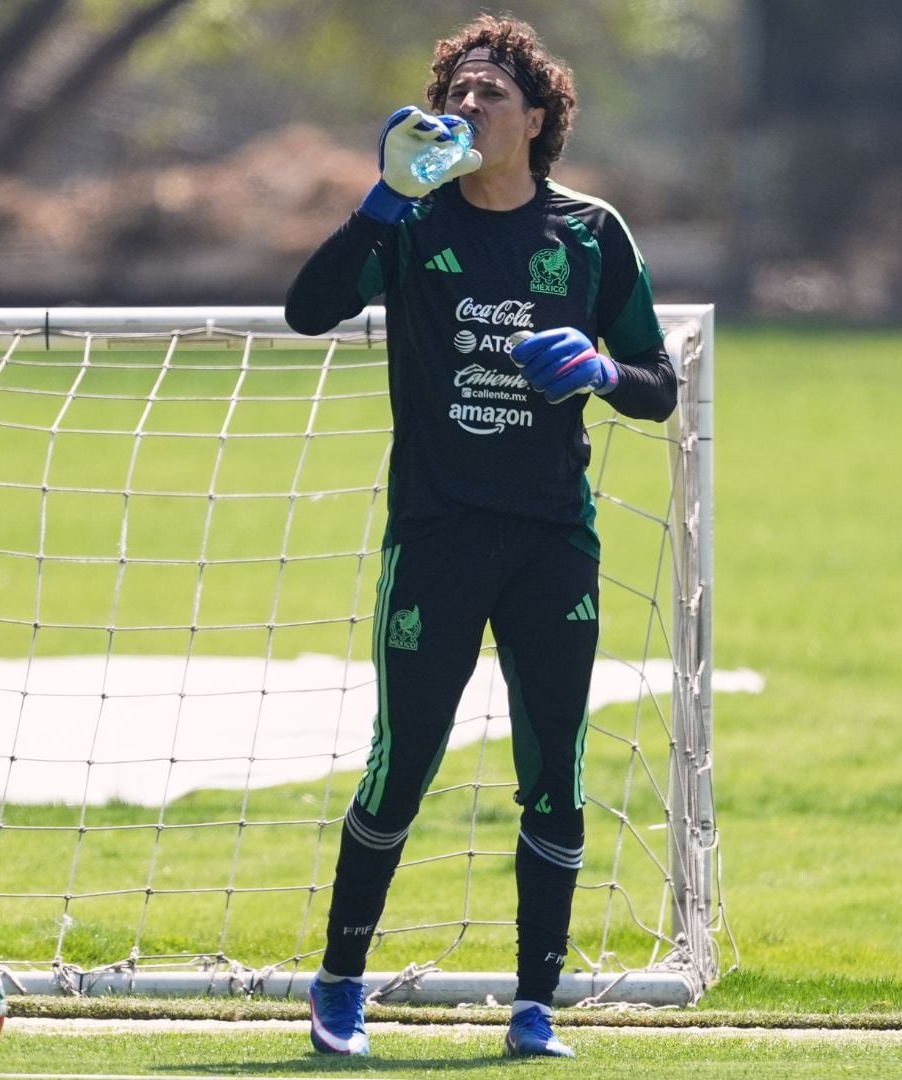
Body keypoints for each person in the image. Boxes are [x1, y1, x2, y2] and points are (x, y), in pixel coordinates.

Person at [283, 14, 677, 1061]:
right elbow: (308, 311)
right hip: (439, 534)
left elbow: (657, 386)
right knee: (403, 761)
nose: (464, 107)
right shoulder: (412, 227)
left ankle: (535, 1005)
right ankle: (339, 984)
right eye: (453, 91)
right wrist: (382, 199)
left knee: (555, 770)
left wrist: (597, 372)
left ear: (537, 118)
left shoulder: (592, 235)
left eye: (488, 93)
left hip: (552, 543)